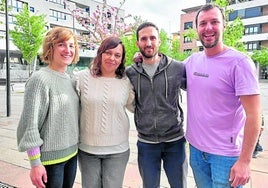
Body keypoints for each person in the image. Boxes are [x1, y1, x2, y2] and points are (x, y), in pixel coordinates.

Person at [183, 4, 262, 188]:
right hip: (196, 151)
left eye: (214, 22)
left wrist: (245, 161)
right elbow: (166, 68)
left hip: (226, 156)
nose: (208, 28)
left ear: (224, 26)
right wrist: (143, 58)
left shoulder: (240, 63)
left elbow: (254, 114)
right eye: (203, 23)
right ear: (197, 29)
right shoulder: (192, 61)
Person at [17, 27, 80, 188]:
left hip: (72, 155)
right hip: (50, 162)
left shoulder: (70, 80)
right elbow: (30, 125)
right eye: (61, 44)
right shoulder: (39, 79)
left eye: (71, 45)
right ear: (50, 48)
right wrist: (35, 163)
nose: (68, 50)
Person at [126, 22, 187, 188]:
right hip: (146, 143)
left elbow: (200, 88)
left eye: (153, 38)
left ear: (159, 41)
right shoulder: (130, 72)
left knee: (179, 185)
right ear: (138, 43)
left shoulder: (177, 68)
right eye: (143, 39)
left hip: (175, 141)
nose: (148, 43)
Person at [75, 36, 134, 188]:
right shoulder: (81, 78)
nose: (112, 58)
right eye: (108, 53)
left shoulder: (126, 81)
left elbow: (134, 107)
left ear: (121, 59)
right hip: (88, 149)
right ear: (100, 53)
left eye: (117, 55)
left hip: (118, 150)